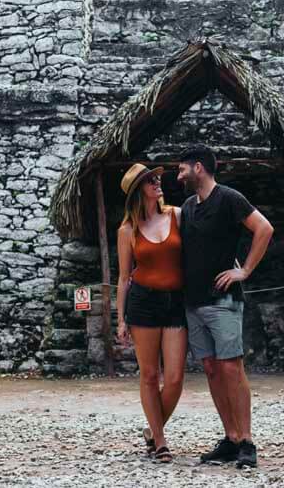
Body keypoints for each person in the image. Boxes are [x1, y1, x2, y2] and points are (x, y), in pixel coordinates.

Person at [177, 144, 274, 470]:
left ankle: (246, 441)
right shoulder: (188, 207)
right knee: (211, 369)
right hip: (194, 303)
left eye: (182, 169)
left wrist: (243, 270)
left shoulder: (230, 198)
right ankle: (231, 438)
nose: (179, 175)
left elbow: (264, 228)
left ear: (199, 168)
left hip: (224, 302)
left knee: (232, 368)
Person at [116, 162, 187, 464]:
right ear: (138, 191)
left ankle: (151, 430)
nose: (158, 182)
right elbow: (122, 277)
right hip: (143, 303)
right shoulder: (127, 230)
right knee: (149, 375)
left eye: (157, 178)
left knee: (174, 378)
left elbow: (197, 251)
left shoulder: (177, 215)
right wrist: (120, 318)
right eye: (150, 180)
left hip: (175, 302)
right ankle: (159, 441)